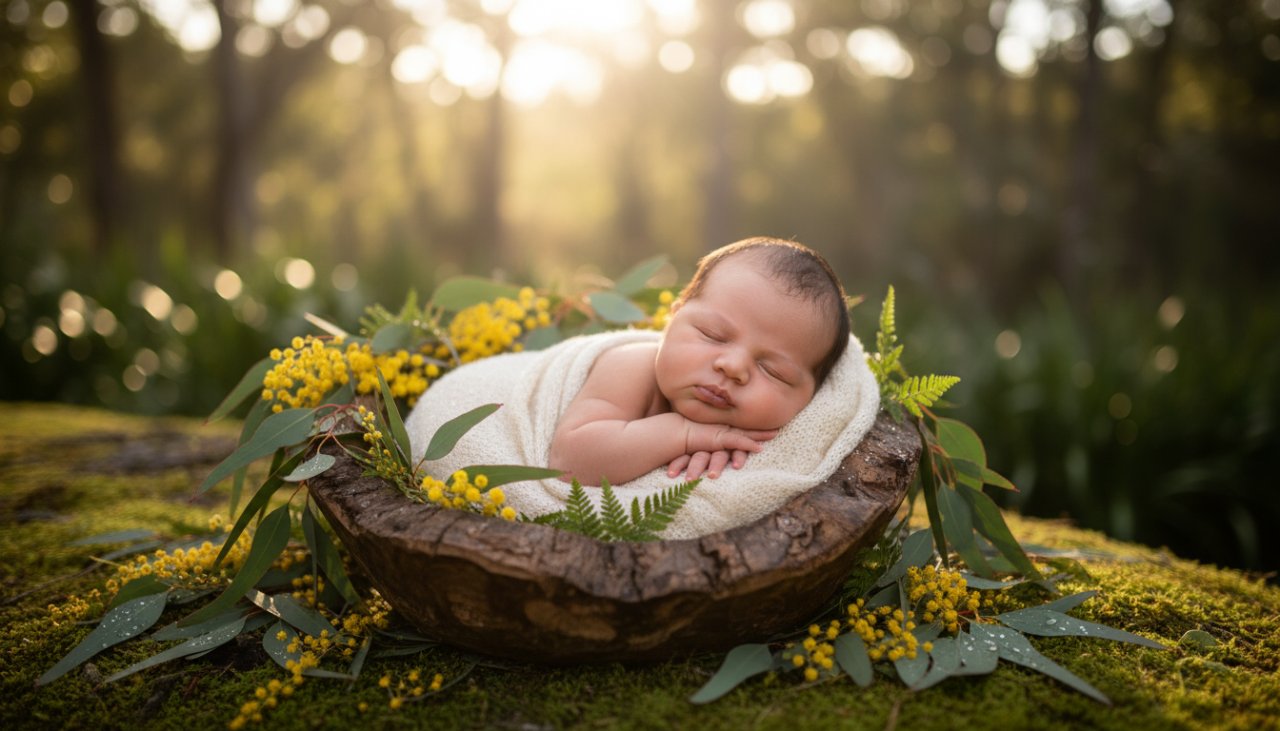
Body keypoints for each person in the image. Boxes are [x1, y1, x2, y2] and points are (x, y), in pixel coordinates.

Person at [548, 237, 851, 486]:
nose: (732, 367)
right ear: (673, 317)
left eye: (773, 371)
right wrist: (685, 435)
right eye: (713, 335)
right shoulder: (630, 365)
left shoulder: (770, 441)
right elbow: (569, 463)